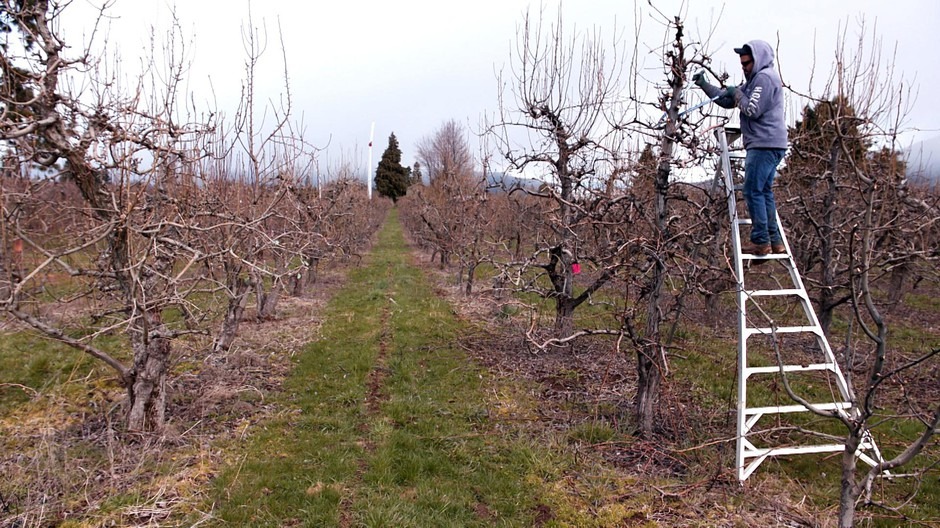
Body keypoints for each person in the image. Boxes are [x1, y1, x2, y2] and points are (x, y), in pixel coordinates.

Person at [693, 40, 788, 256]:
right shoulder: (756, 79)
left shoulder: (764, 78)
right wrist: (706, 85)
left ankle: (761, 242)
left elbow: (751, 109)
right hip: (771, 143)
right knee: (764, 191)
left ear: (758, 60)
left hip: (764, 143)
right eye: (742, 63)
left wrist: (737, 93)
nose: (744, 67)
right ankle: (774, 241)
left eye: (747, 63)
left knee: (752, 190)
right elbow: (729, 101)